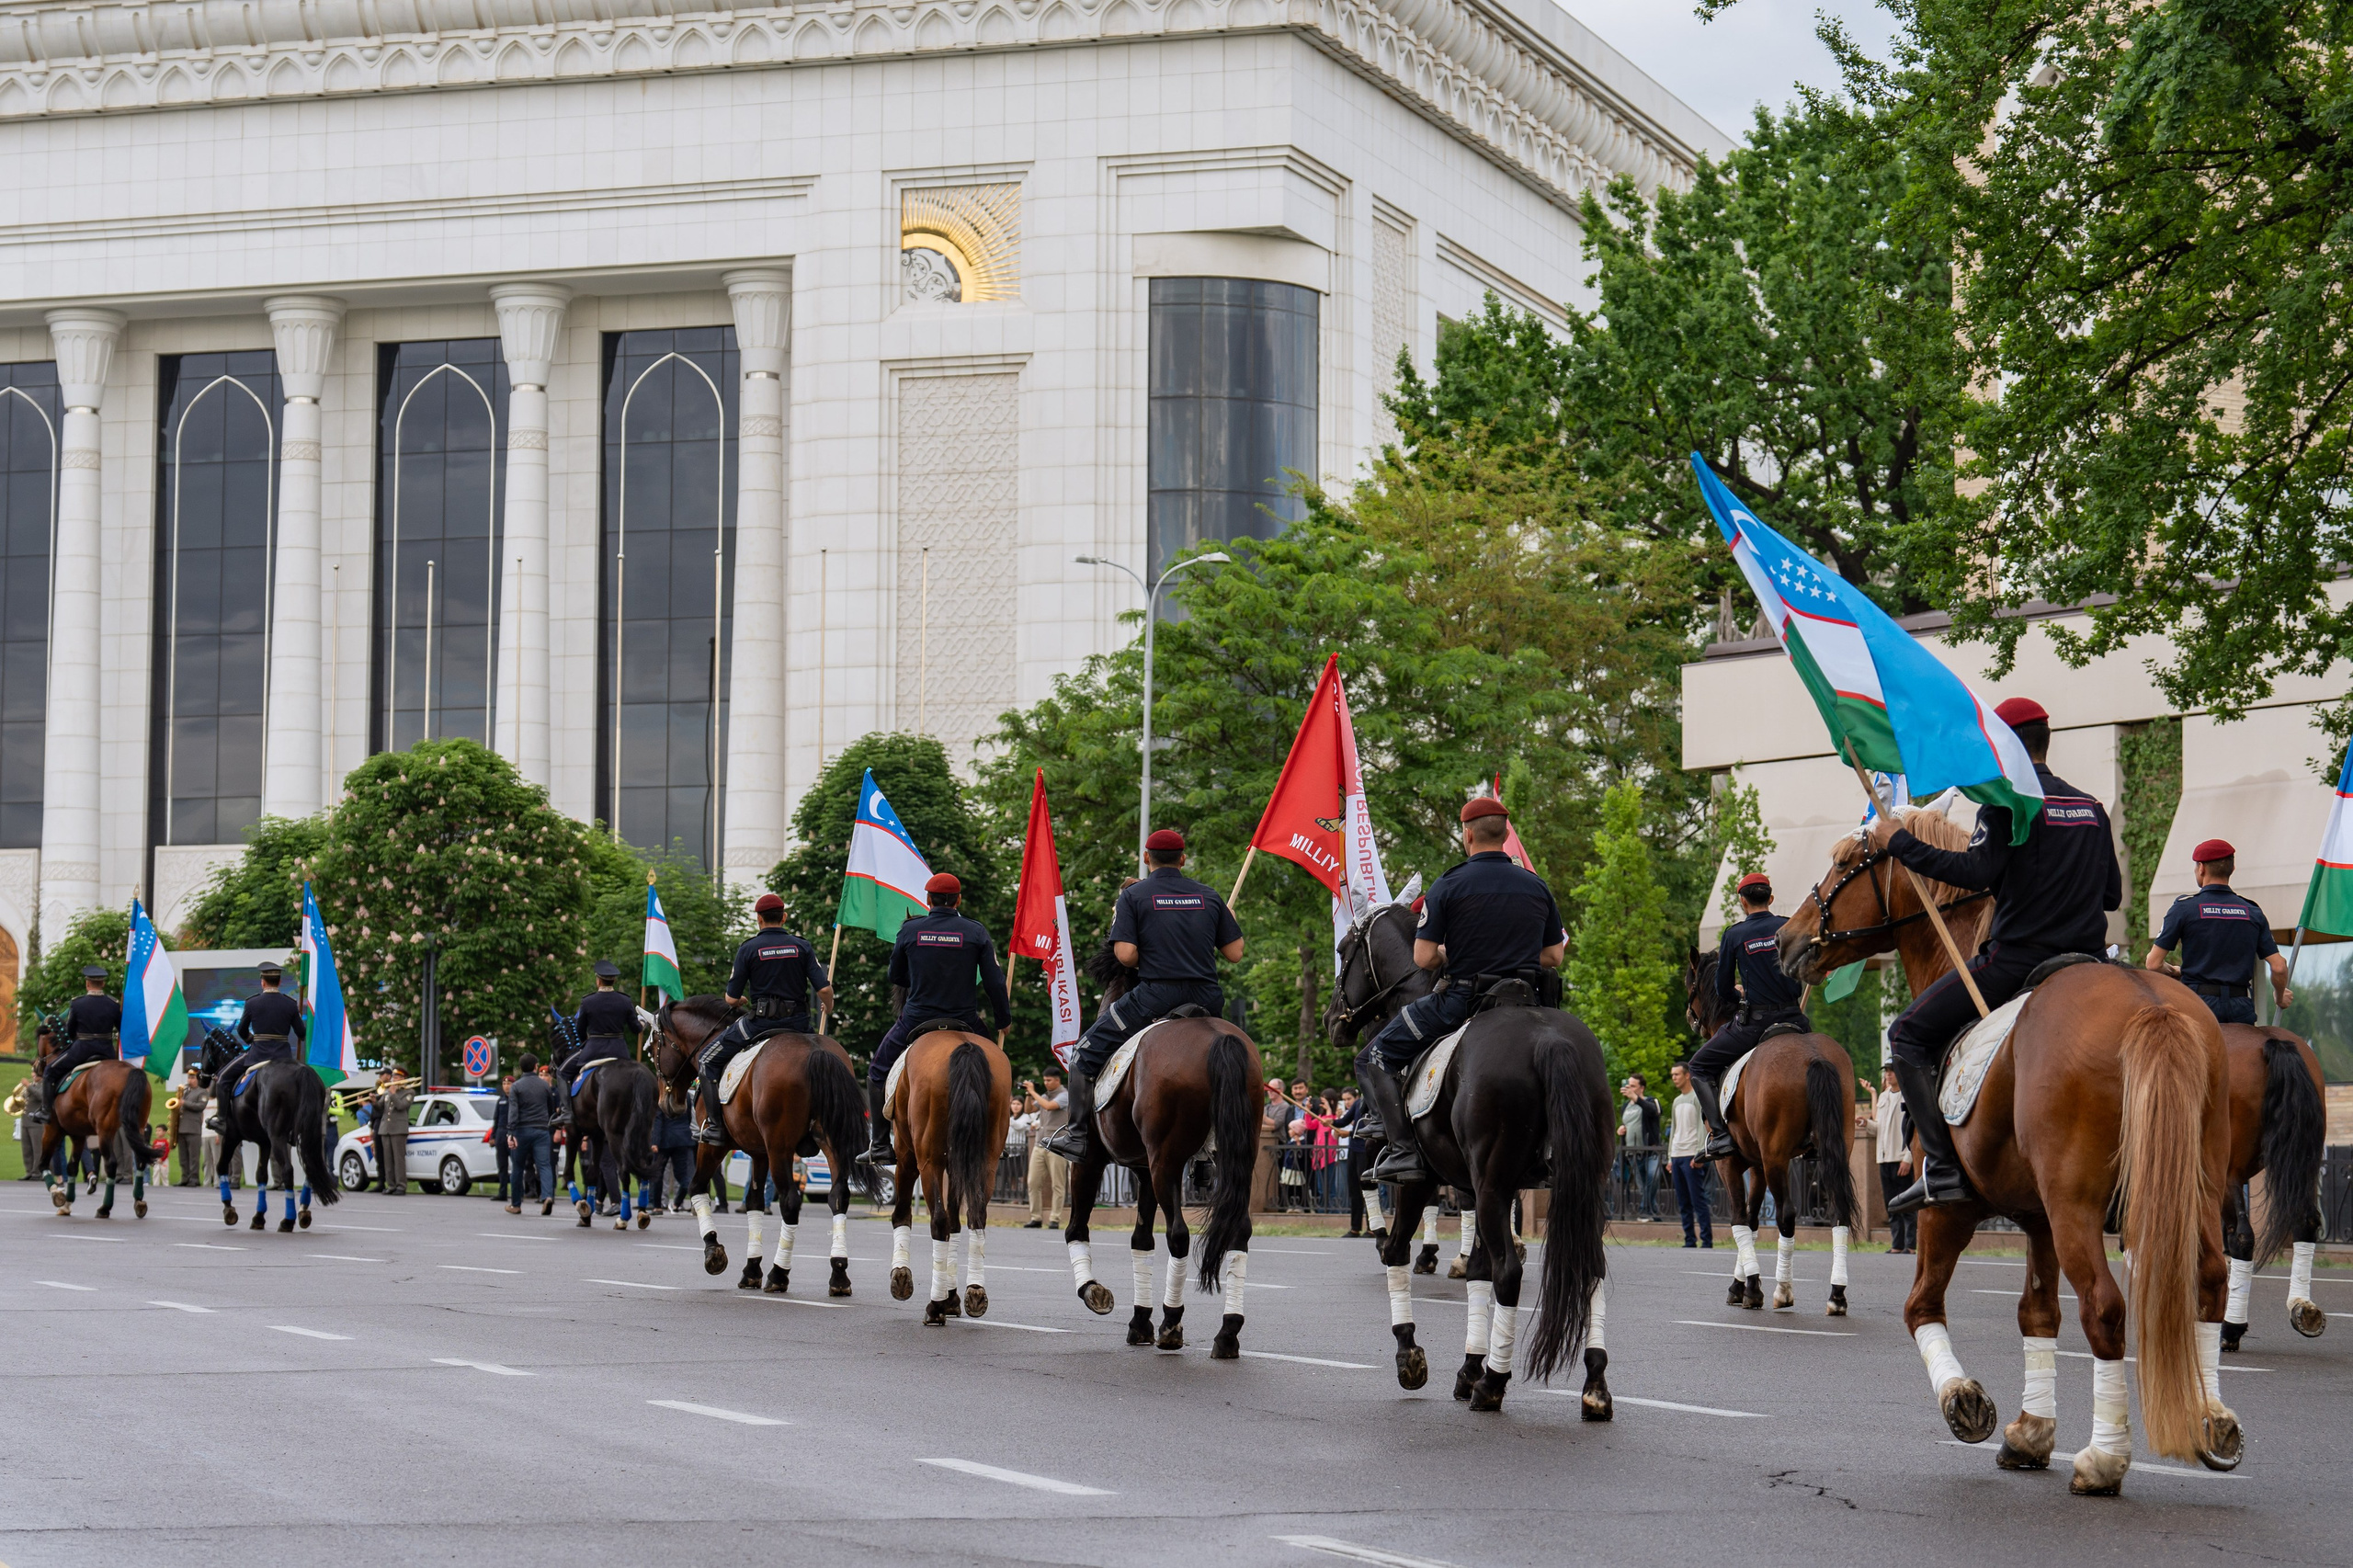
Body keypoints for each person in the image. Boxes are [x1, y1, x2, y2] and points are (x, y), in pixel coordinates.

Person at [1870, 696, 2121, 1212]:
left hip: (2018, 964)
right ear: (2045, 741)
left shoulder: (2010, 804)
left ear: (2004, 745)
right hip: (2093, 963)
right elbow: (2112, 896)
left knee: (1906, 1034)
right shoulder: (2093, 809)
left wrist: (1901, 844)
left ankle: (1940, 1167)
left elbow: (1975, 873)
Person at [1355, 797, 1566, 1186]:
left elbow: (1422, 958)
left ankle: (1402, 1151)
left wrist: (1447, 953)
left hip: (1462, 1001)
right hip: (1526, 1001)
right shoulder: (1536, 886)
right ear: (1505, 835)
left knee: (1374, 1058)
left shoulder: (1449, 885)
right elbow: (1553, 955)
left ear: (1467, 834)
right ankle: (1547, 1149)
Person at [1043, 828, 1245, 1163]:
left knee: (1082, 1055)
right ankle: (1212, 1144)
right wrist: (1229, 920)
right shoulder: (1210, 896)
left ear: (1146, 858)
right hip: (1208, 998)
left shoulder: (1133, 897)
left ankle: (1076, 1136)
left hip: (1156, 996)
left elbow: (1125, 956)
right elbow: (1234, 953)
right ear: (1183, 859)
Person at [860, 872, 1010, 1165]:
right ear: (959, 900)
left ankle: (879, 1144)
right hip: (966, 1021)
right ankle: (993, 1140)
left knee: (877, 1072)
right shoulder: (975, 931)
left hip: (916, 1020)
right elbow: (994, 981)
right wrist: (1003, 1018)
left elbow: (895, 975)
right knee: (994, 1072)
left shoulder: (910, 930)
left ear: (928, 900)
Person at [1687, 873, 1807, 1160]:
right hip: (1796, 1018)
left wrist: (1738, 995)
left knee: (1698, 1067)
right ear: (1771, 898)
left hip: (1756, 1023)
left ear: (1742, 901)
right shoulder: (1788, 925)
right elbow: (1802, 970)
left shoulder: (1735, 934)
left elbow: (1721, 988)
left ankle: (1720, 1136)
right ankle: (1815, 1133)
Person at [699, 892, 834, 1145]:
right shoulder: (802, 946)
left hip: (759, 1025)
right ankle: (813, 1126)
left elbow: (730, 998)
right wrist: (830, 1006)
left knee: (705, 1059)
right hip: (798, 1025)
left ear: (759, 919)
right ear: (783, 917)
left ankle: (716, 1127)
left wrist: (739, 1002)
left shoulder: (748, 948)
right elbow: (824, 990)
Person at [2145, 839, 2293, 1026]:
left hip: (2197, 1004)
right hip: (2240, 1006)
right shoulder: (2252, 911)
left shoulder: (2184, 908)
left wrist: (2173, 970)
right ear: (2232, 869)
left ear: (2201, 868)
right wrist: (2279, 996)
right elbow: (2279, 967)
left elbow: (2153, 963)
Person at [206, 961, 307, 1131]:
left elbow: (241, 1029)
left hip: (258, 1055)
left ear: (263, 982)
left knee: (223, 1080)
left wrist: (252, 1040)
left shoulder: (252, 1003)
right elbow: (301, 1034)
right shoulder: (290, 1004)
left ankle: (222, 1120)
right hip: (283, 1058)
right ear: (279, 982)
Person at [41, 965, 122, 1108]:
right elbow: (122, 1028)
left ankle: (45, 1112)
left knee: (49, 1071)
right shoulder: (114, 1004)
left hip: (81, 1051)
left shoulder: (77, 1003)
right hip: (107, 1052)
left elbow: (70, 1032)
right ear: (103, 984)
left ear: (87, 984)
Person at [563, 960, 641, 1088]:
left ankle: (566, 1109)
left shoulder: (587, 1001)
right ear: (614, 981)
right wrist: (642, 1022)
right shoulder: (625, 1000)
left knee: (562, 1072)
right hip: (620, 1052)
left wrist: (585, 1043)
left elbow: (580, 1030)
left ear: (598, 981)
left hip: (593, 1051)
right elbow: (636, 1029)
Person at [1665, 1062, 1711, 1247]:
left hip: (1691, 1155)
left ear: (1686, 1075)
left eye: (1676, 1074)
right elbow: (1675, 1130)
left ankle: (1707, 1240)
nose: (1674, 1078)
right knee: (1683, 1201)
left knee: (1698, 1200)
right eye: (1672, 1075)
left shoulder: (1697, 1098)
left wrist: (1700, 1154)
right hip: (1677, 1155)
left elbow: (1702, 1128)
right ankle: (1689, 1239)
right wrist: (1670, 1157)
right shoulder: (1676, 1101)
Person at [505, 1053, 557, 1215]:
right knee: (544, 1165)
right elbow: (551, 1108)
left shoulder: (516, 1086)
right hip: (541, 1130)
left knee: (518, 1167)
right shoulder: (545, 1086)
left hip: (521, 1131)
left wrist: (510, 1132)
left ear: (521, 1068)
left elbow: (513, 1111)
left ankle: (516, 1204)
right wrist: (547, 1123)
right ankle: (547, 1196)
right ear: (535, 1067)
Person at [1873, 1065, 1915, 1254]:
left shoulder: (1908, 1095)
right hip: (1884, 1157)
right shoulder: (1883, 1097)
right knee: (1891, 1203)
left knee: (1906, 1202)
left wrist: (1908, 1158)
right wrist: (1866, 1124)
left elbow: (1915, 1128)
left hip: (1901, 1159)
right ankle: (1897, 1244)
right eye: (1886, 1072)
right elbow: (1879, 1128)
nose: (1888, 1075)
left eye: (1891, 1071)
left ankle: (1911, 1245)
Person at [1021, 1072, 1070, 1229]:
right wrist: (1029, 1094)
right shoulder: (1044, 1095)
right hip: (1040, 1144)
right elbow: (1028, 1110)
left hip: (1057, 1146)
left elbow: (1050, 1106)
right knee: (1033, 1182)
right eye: (1044, 1080)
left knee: (1058, 1184)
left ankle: (1055, 1218)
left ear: (1057, 1080)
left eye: (1049, 1080)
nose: (1046, 1083)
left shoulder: (1064, 1095)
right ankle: (1036, 1217)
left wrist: (1034, 1092)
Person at [1617, 1074, 1662, 1220]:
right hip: (1633, 1152)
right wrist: (1621, 1129)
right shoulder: (1625, 1106)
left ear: (1641, 1088)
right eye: (1628, 1085)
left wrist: (1636, 1098)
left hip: (1650, 1150)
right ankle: (1653, 1213)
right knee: (1642, 1186)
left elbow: (1653, 1112)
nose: (1629, 1088)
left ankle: (1644, 1210)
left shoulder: (1651, 1101)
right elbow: (1629, 1124)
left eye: (1633, 1086)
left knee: (1652, 1178)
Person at [374, 1066, 416, 1194]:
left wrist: (392, 1094)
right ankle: (391, 1185)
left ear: (403, 1079)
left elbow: (401, 1106)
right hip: (385, 1129)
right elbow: (380, 1108)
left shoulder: (409, 1092)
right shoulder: (387, 1091)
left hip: (398, 1129)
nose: (394, 1079)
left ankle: (401, 1186)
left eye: (397, 1077)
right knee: (388, 1159)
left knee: (398, 1159)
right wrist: (373, 1101)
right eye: (393, 1077)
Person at [175, 1075, 209, 1186]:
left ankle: (194, 1178)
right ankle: (185, 1177)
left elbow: (200, 1106)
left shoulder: (202, 1092)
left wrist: (184, 1103)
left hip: (193, 1128)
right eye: (189, 1078)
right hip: (182, 1128)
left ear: (198, 1080)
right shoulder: (185, 1092)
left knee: (194, 1156)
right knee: (183, 1156)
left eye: (193, 1078)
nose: (190, 1080)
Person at [491, 1074, 515, 1204]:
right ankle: (502, 1192)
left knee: (516, 1164)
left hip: (512, 1134)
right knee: (502, 1166)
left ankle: (518, 1191)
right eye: (504, 1084)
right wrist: (493, 1136)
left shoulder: (516, 1100)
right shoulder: (500, 1101)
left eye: (509, 1084)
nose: (506, 1087)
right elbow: (496, 1119)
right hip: (500, 1133)